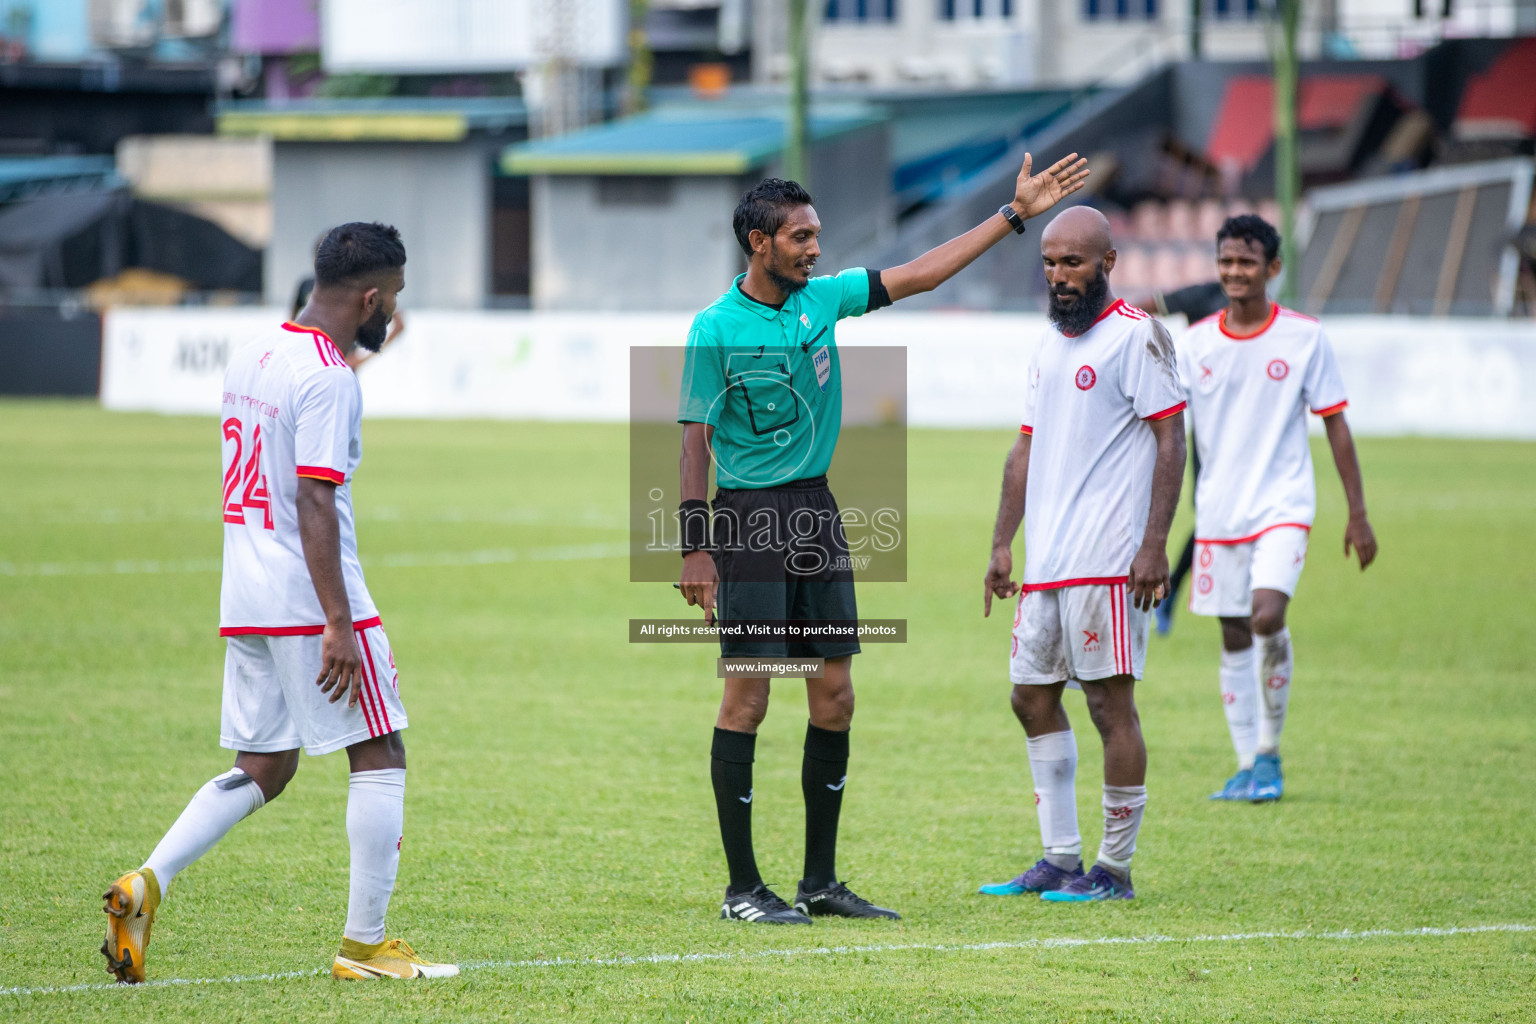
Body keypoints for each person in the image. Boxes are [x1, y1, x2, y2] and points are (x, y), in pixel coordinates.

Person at [678, 156, 1090, 924]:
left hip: (816, 514)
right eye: (801, 238)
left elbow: (922, 273)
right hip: (748, 522)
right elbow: (694, 442)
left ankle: (819, 884)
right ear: (760, 244)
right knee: (749, 699)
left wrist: (1014, 215)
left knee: (834, 698)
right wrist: (694, 547)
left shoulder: (824, 300)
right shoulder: (714, 327)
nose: (815, 250)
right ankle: (742, 890)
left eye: (818, 236)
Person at [101, 222, 457, 983]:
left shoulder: (256, 352)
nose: (391, 316)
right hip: (311, 597)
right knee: (381, 749)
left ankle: (146, 884)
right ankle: (364, 948)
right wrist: (337, 621)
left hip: (248, 593)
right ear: (367, 294)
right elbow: (314, 500)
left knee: (265, 764)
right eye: (390, 300)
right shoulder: (330, 377)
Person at [979, 207, 1186, 903]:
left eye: (1073, 262)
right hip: (1048, 564)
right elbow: (1025, 449)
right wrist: (1003, 543)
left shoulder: (1139, 337)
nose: (1059, 276)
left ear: (1107, 263)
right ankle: (1060, 858)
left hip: (1107, 560)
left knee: (1107, 706)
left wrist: (1154, 543)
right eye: (1049, 263)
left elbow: (1170, 439)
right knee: (1030, 699)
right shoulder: (1048, 346)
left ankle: (1114, 870)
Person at [1176, 215, 1377, 803]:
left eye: (1247, 261)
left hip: (1284, 503)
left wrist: (1357, 513)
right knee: (1234, 632)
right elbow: (1166, 431)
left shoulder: (1304, 337)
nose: (1235, 272)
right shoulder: (1196, 344)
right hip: (1218, 511)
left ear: (1273, 267)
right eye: (1227, 261)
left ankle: (1269, 752)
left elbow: (1335, 425)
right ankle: (1246, 764)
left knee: (1265, 615)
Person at [1137, 283, 1228, 636]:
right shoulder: (1205, 294)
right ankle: (1171, 594)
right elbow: (1145, 305)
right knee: (1209, 517)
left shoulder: (1260, 308)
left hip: (1251, 429)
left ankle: (1248, 603)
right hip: (1208, 431)